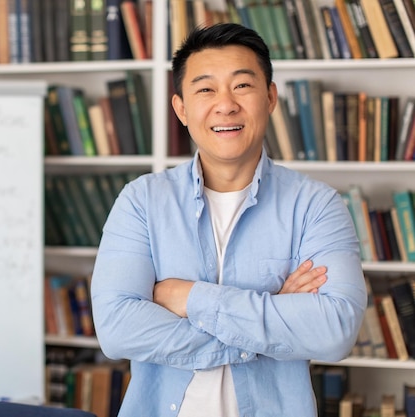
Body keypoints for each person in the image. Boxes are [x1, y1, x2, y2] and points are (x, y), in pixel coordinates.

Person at [90, 23, 366, 417]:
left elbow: (335, 330)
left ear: (270, 97)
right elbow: (117, 330)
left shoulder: (316, 205)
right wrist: (269, 319)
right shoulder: (142, 201)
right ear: (181, 109)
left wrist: (187, 297)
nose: (225, 105)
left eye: (242, 86)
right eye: (205, 89)